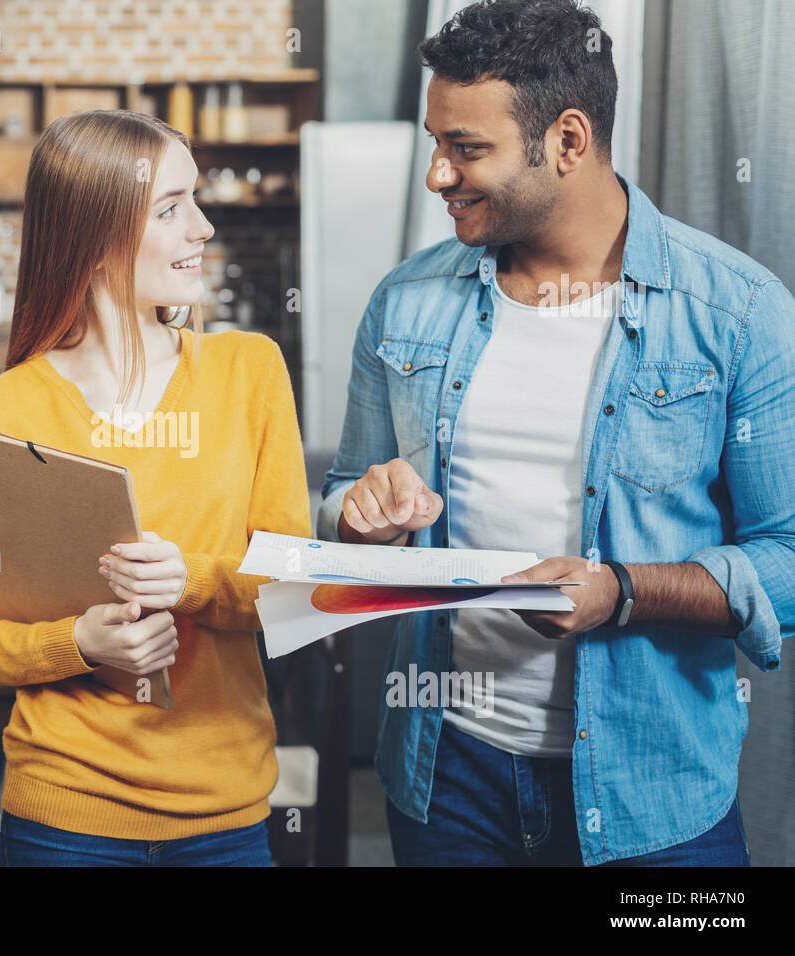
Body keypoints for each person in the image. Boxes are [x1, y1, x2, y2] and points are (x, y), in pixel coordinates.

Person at [318, 0, 794, 866]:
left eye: (467, 148)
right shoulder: (406, 301)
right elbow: (339, 498)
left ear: (569, 141)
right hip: (444, 782)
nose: (436, 176)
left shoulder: (739, 314)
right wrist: (358, 514)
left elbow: (790, 557)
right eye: (437, 141)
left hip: (657, 802)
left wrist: (623, 589)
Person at [0, 109, 312, 866]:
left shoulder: (248, 374)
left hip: (225, 814)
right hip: (62, 818)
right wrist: (78, 644)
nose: (201, 227)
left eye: (194, 200)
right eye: (171, 208)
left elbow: (293, 593)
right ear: (95, 237)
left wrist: (192, 580)